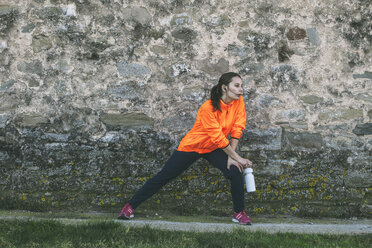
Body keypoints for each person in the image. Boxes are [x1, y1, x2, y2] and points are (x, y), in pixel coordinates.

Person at [118, 72, 254, 225]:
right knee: (164, 176)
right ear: (224, 88)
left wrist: (232, 157)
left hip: (213, 148)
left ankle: (239, 213)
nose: (241, 89)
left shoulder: (238, 102)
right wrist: (238, 158)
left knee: (235, 170)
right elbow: (217, 137)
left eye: (241, 86)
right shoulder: (207, 108)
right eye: (236, 86)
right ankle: (129, 207)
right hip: (193, 145)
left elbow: (237, 128)